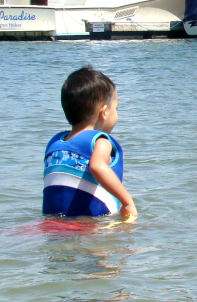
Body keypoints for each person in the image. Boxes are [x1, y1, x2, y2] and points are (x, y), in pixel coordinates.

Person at [43, 66, 137, 217]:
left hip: (52, 221)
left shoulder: (55, 143)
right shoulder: (100, 142)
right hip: (89, 224)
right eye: (116, 109)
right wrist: (127, 202)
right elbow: (97, 166)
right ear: (104, 112)